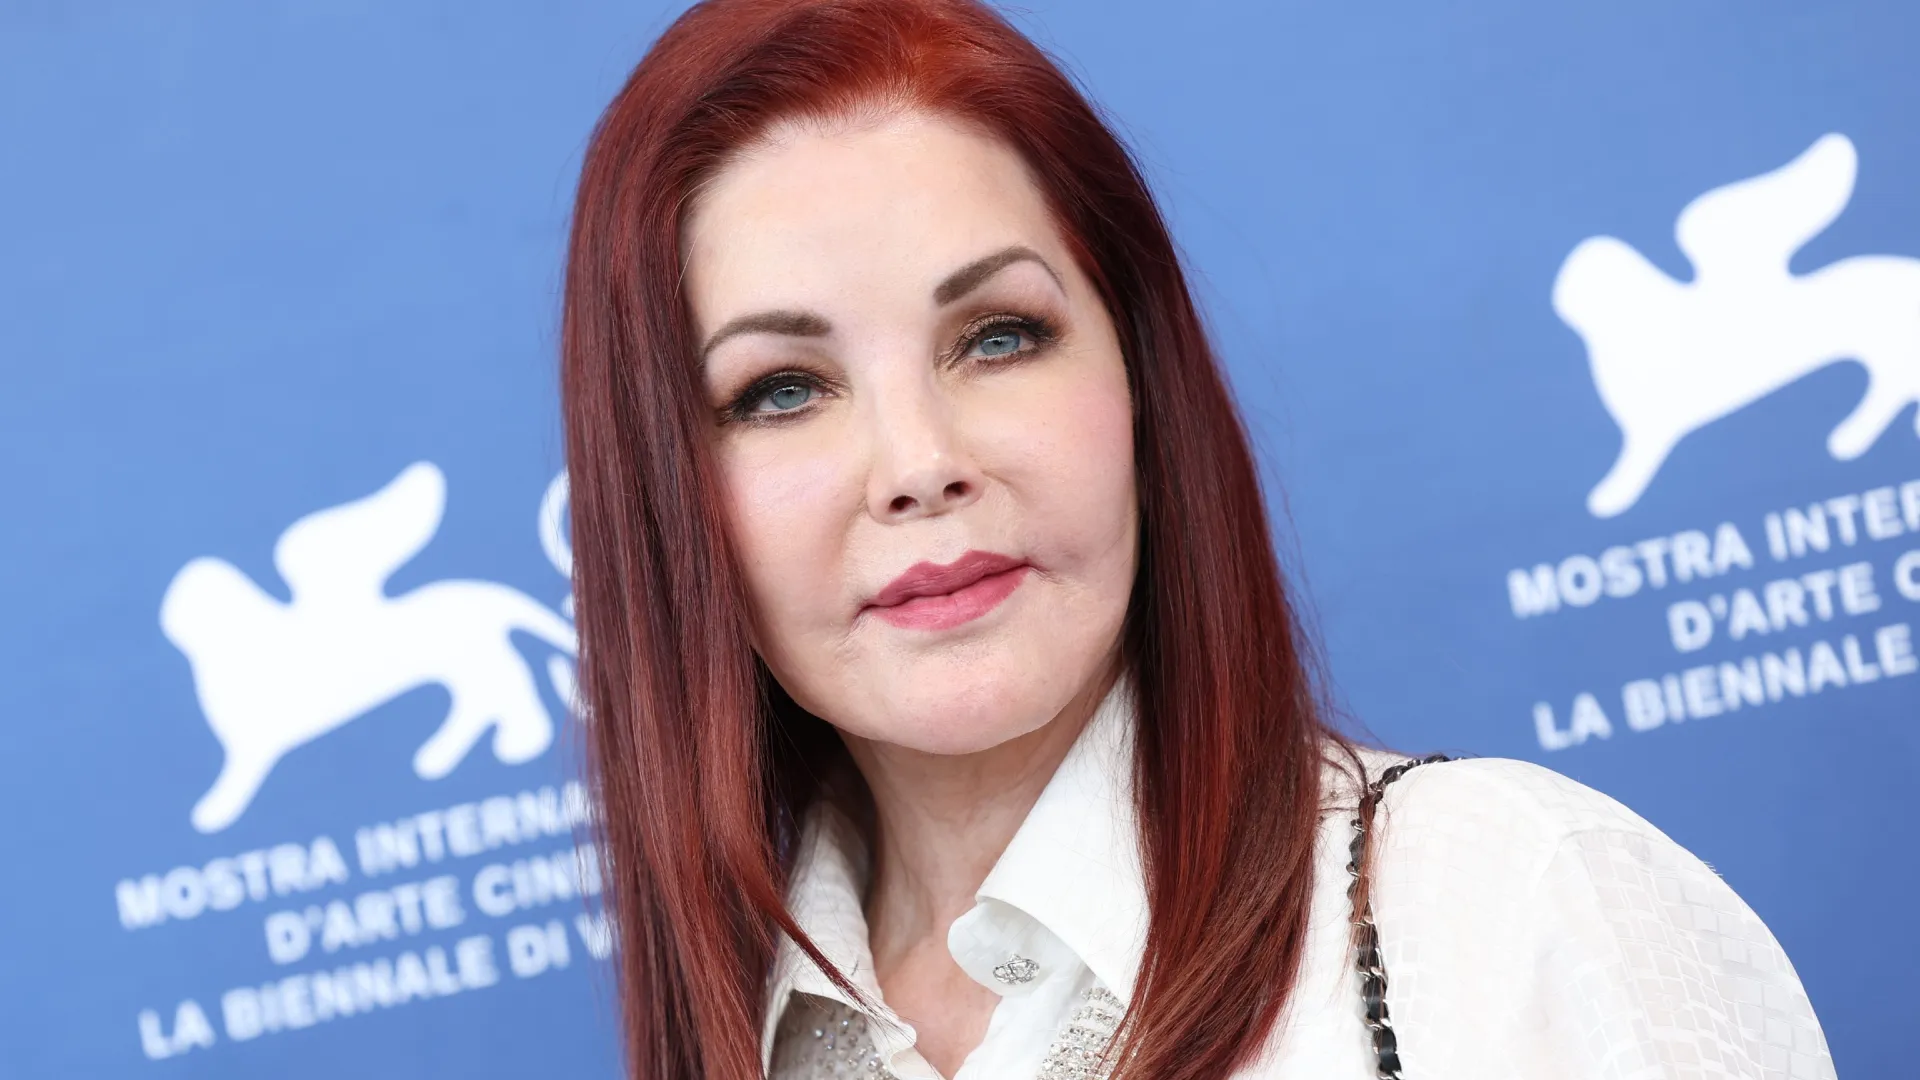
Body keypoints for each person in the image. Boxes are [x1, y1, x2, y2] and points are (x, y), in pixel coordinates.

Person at [557, 1, 1836, 1077]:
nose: (921, 464)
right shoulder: (752, 1039)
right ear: (664, 500)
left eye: (998, 336)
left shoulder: (1514, 908)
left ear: (1142, 384)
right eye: (781, 389)